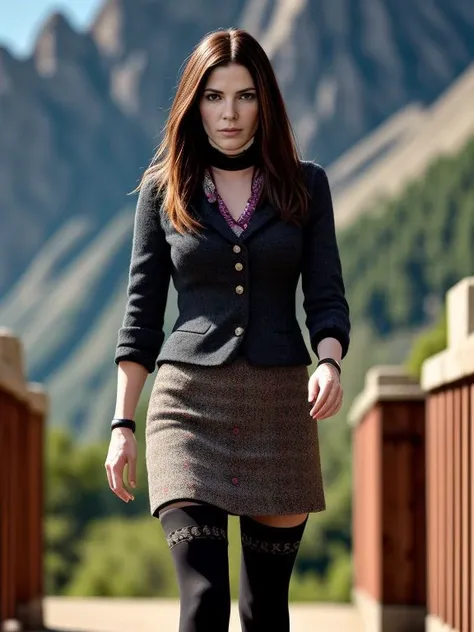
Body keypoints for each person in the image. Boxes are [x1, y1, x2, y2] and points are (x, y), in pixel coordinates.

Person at [105, 27, 350, 632]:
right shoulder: (164, 190)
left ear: (265, 102)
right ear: (195, 102)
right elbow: (141, 314)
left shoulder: (306, 185)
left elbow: (325, 297)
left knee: (266, 609)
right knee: (205, 593)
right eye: (214, 97)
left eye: (244, 96)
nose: (230, 113)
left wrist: (329, 360)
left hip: (280, 410)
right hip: (186, 410)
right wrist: (121, 424)